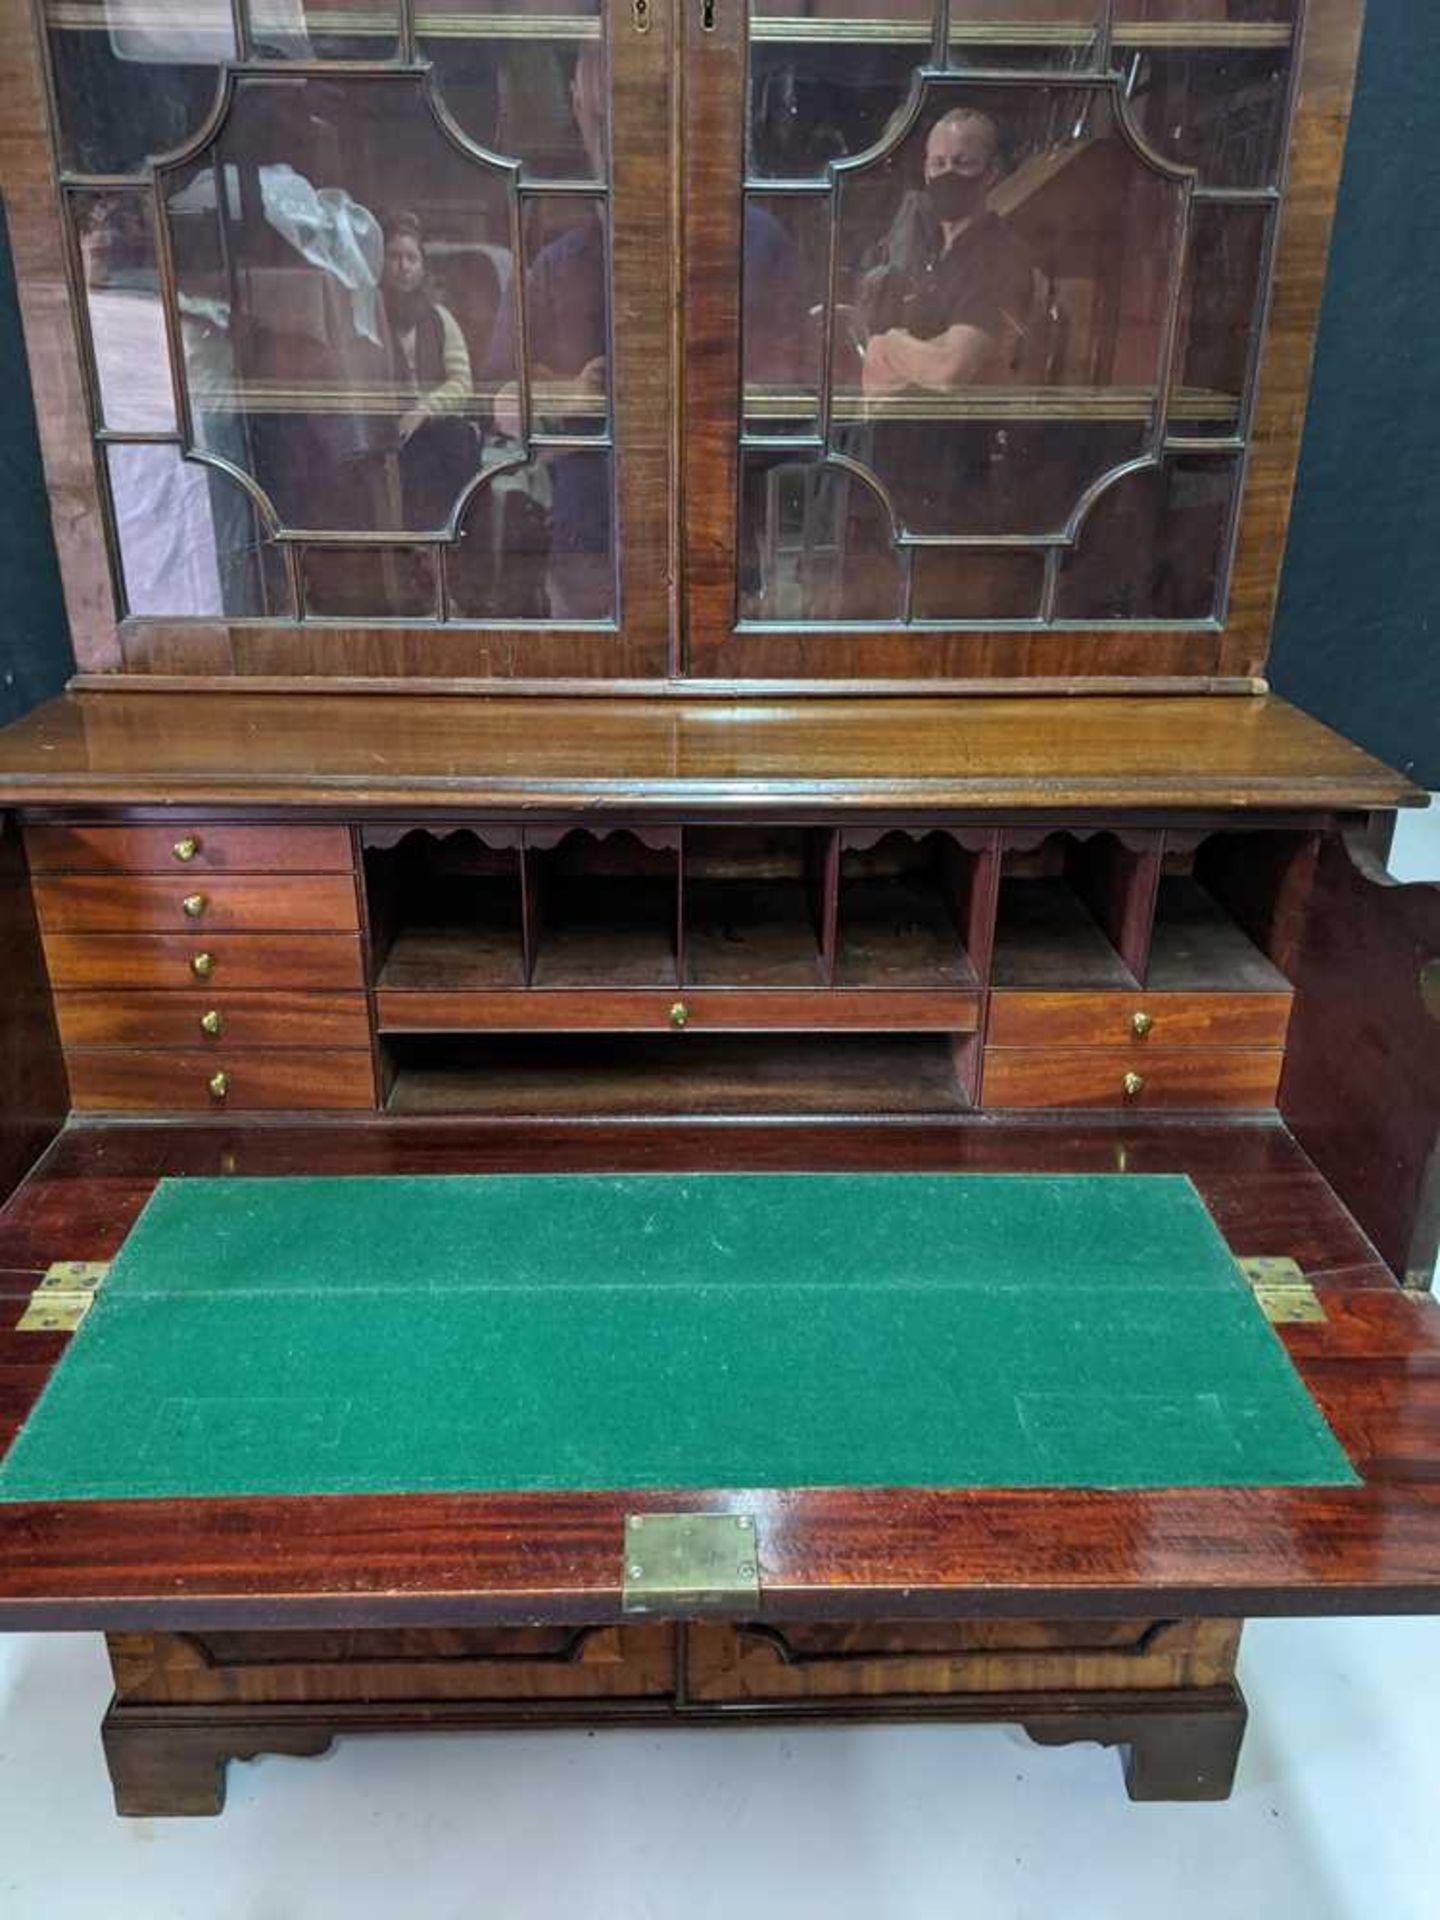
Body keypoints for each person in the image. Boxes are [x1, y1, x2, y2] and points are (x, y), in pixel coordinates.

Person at [856, 108, 1035, 395]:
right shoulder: (926, 250)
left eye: (962, 163)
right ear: (926, 171)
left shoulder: (1001, 256)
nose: (948, 173)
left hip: (964, 432)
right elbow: (873, 377)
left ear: (991, 172)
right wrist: (913, 356)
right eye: (939, 164)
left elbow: (949, 371)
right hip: (906, 429)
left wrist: (889, 344)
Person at [381, 212, 478, 530]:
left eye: (411, 258)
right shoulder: (367, 316)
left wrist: (423, 410)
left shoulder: (439, 319)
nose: (403, 266)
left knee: (454, 441)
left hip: (433, 430)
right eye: (394, 257)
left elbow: (462, 385)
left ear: (422, 267)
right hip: (387, 429)